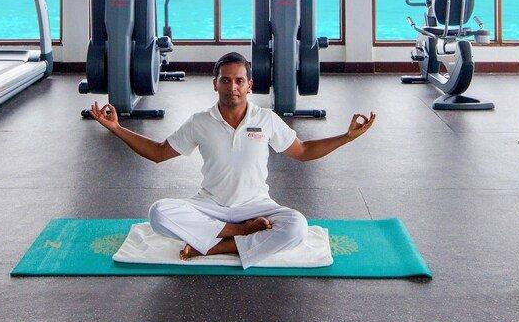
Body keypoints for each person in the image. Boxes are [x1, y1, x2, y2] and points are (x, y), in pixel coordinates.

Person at [90, 51, 376, 268]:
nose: (232, 87)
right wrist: (116, 128)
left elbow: (303, 151)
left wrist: (346, 137)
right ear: (215, 84)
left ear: (250, 84)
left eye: (239, 80)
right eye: (225, 80)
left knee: (297, 226)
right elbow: (158, 153)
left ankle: (214, 248)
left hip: (257, 206)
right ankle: (240, 233)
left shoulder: (266, 119)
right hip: (210, 206)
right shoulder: (200, 122)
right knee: (158, 212)